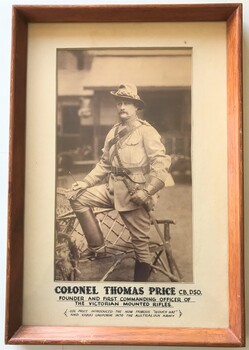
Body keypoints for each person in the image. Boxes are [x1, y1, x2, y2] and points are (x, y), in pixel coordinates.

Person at [67, 83, 171, 282]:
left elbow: (161, 163)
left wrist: (148, 192)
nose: (122, 107)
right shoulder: (113, 133)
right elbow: (105, 163)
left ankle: (138, 291)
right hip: (112, 189)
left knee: (141, 246)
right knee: (78, 197)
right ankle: (98, 247)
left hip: (135, 194)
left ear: (136, 107)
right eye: (119, 103)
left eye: (128, 103)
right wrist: (86, 182)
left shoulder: (146, 132)